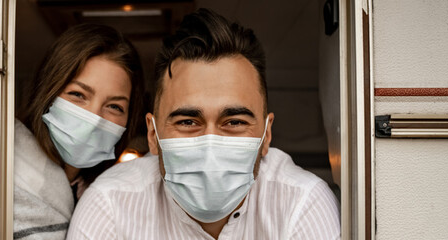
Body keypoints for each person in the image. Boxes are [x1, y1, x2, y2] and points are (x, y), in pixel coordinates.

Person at [67, 9, 340, 239]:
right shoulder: (109, 204)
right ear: (153, 134)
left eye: (233, 121)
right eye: (188, 121)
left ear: (266, 134)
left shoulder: (303, 202)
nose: (210, 144)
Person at [13, 23, 144, 239]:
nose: (94, 119)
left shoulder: (108, 197)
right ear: (48, 92)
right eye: (78, 95)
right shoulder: (0, 169)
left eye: (114, 107)